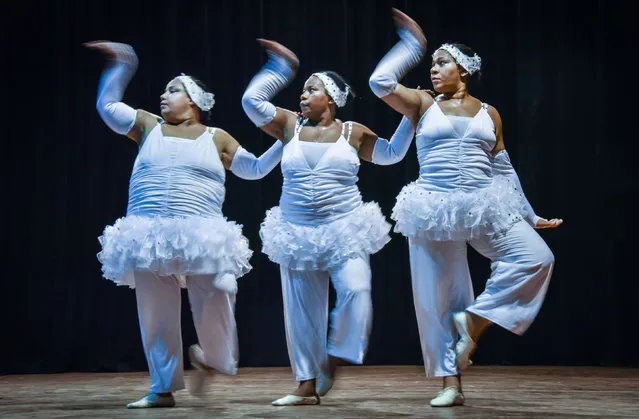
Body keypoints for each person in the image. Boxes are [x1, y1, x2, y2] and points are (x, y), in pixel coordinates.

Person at [368, 9, 563, 407]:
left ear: (465, 70)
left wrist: (529, 214)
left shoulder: (490, 112)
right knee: (441, 295)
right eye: (433, 63)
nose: (434, 70)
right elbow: (380, 82)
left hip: (483, 204)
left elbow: (503, 167)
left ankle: (473, 321)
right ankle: (450, 385)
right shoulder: (422, 103)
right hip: (433, 206)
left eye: (443, 63)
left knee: (537, 257)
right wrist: (412, 46)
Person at [85, 41, 283, 408]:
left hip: (201, 231)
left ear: (193, 99)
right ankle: (162, 389)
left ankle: (215, 357)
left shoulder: (216, 136)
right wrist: (123, 65)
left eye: (173, 89)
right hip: (148, 231)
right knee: (156, 312)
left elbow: (253, 170)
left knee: (221, 289)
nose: (163, 95)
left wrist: (286, 140)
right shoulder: (148, 125)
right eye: (163, 90)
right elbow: (108, 106)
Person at [241, 39, 416, 406]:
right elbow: (251, 103)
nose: (303, 95)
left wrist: (409, 118)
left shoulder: (352, 131)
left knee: (357, 290)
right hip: (296, 229)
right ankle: (304, 385)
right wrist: (279, 70)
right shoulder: (289, 126)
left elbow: (391, 155)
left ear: (331, 97)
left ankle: (336, 357)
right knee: (302, 310)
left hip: (345, 227)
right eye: (303, 88)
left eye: (311, 88)